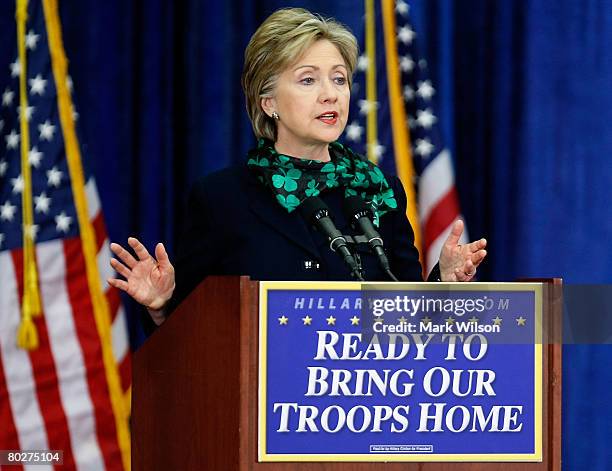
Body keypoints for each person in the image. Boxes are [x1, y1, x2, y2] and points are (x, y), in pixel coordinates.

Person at [108, 8, 487, 326]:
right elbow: (191, 334)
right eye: (308, 80)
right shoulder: (222, 199)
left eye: (339, 79)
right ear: (268, 101)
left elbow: (406, 316)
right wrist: (161, 306)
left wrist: (444, 280)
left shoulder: (378, 190)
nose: (331, 93)